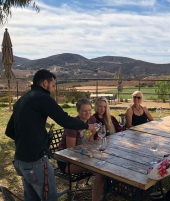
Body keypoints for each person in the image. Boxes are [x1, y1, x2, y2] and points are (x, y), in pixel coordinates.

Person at [5, 69, 96, 201]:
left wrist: (29, 141)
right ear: (45, 83)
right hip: (36, 162)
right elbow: (65, 120)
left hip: (20, 161)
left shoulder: (23, 99)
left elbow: (9, 131)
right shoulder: (43, 98)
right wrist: (87, 126)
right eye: (53, 86)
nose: (53, 90)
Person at [57, 98, 104, 201]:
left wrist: (91, 150)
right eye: (84, 110)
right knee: (101, 171)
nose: (88, 113)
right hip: (67, 162)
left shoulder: (92, 120)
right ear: (78, 111)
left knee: (105, 167)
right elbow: (70, 151)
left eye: (89, 110)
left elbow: (91, 141)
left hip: (85, 156)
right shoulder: (72, 126)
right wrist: (90, 158)